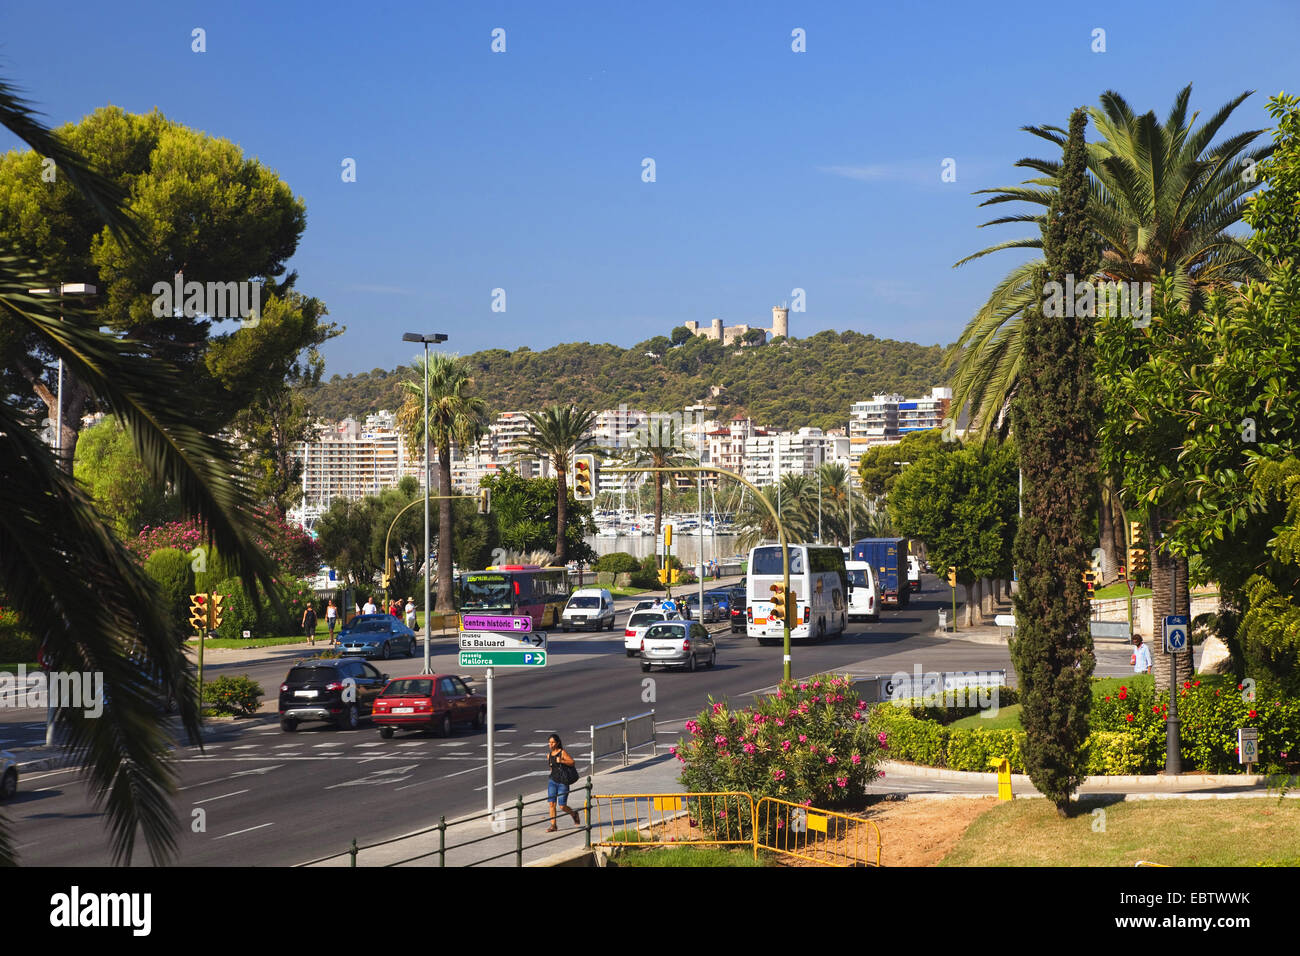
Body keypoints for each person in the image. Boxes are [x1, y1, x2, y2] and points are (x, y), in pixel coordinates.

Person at [545, 734, 582, 832]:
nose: (551, 744)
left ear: (557, 743)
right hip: (552, 781)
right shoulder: (548, 755)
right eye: (549, 742)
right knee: (551, 804)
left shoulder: (562, 752)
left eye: (552, 742)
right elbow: (551, 768)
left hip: (563, 782)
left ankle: (573, 814)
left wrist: (561, 760)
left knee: (562, 806)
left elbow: (572, 762)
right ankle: (553, 825)